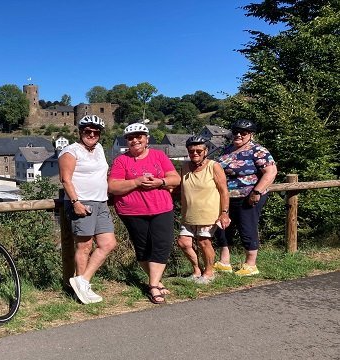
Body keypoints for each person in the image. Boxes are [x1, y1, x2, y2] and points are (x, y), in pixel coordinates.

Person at [108, 123, 180, 304]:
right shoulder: (121, 160)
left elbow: (175, 179)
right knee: (143, 249)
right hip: (131, 211)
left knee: (161, 245)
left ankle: (153, 285)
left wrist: (160, 182)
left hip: (161, 208)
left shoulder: (159, 156)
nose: (135, 140)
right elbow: (113, 186)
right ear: (127, 141)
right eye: (131, 138)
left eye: (139, 136)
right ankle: (155, 281)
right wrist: (137, 182)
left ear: (147, 139)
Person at [59, 115, 117, 304]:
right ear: (80, 132)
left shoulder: (99, 149)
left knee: (108, 243)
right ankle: (80, 290)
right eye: (87, 131)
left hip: (101, 202)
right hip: (82, 201)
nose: (91, 135)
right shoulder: (70, 151)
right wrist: (75, 202)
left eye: (95, 132)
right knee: (84, 246)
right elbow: (66, 179)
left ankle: (82, 281)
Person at [213, 119, 277, 276]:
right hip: (226, 197)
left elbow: (271, 172)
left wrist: (257, 192)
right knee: (222, 227)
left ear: (251, 134)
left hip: (248, 196)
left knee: (246, 227)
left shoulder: (258, 151)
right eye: (236, 132)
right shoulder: (227, 150)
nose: (239, 135)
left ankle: (250, 265)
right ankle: (224, 262)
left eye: (244, 132)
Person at [177, 136, 230, 284]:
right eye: (191, 150)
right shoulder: (185, 167)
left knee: (203, 242)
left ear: (206, 151)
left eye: (199, 150)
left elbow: (224, 191)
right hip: (188, 213)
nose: (195, 153)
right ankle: (197, 270)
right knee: (183, 242)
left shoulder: (213, 166)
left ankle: (209, 273)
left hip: (208, 213)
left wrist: (224, 213)